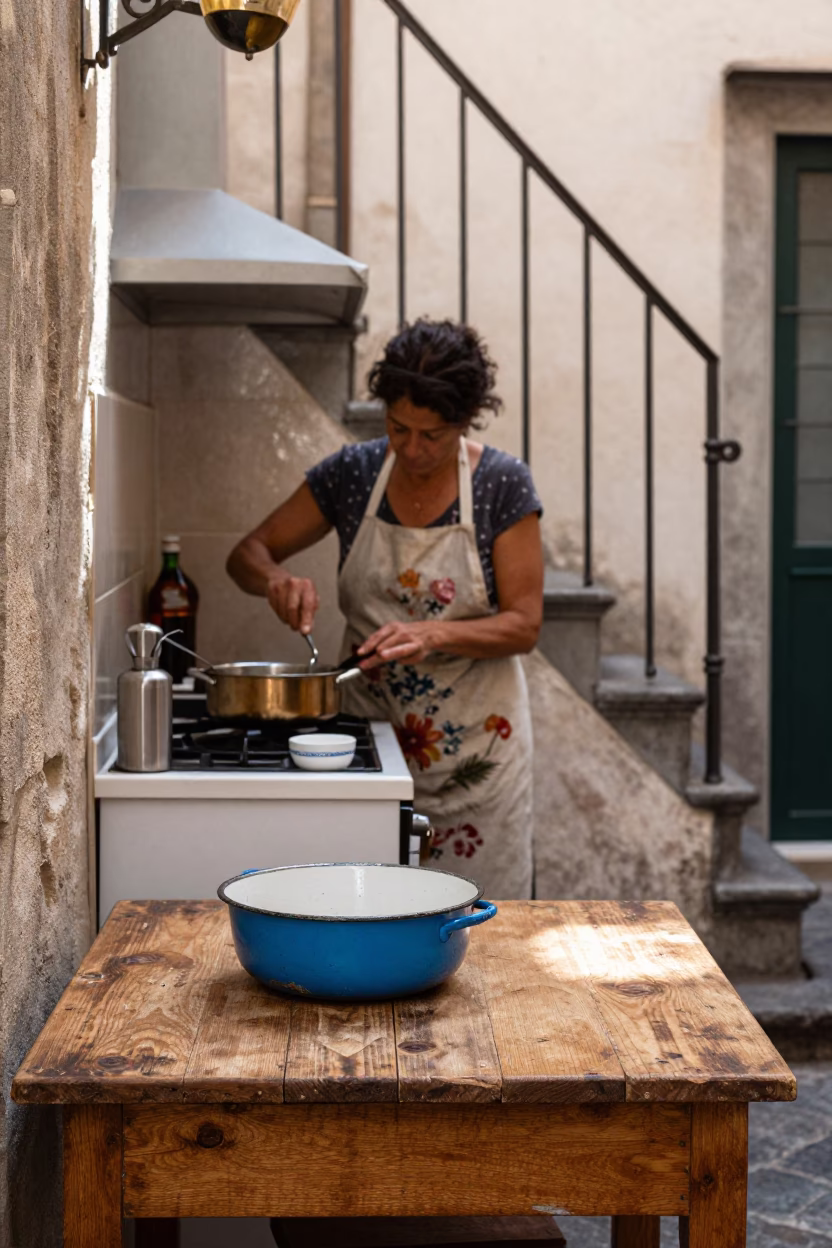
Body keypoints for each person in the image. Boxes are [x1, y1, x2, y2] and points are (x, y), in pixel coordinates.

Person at [227, 319, 543, 899]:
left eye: (434, 435)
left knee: (481, 929)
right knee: (365, 909)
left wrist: (431, 634)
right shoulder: (354, 473)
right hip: (370, 743)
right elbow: (246, 553)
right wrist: (275, 579)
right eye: (399, 428)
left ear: (465, 421)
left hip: (479, 754)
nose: (414, 450)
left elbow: (524, 625)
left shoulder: (502, 484)